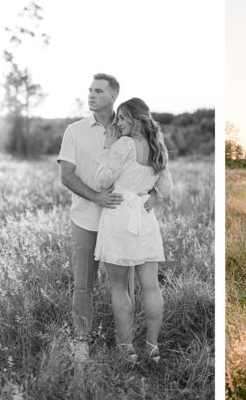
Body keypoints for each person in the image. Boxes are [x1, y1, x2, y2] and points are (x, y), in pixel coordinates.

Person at [57, 74, 159, 363]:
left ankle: (123, 342)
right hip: (87, 218)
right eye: (90, 90)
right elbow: (66, 175)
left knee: (124, 284)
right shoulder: (75, 131)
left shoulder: (129, 128)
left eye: (98, 91)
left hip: (121, 221)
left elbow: (146, 167)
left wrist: (151, 195)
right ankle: (81, 340)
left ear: (113, 96)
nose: (91, 95)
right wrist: (96, 197)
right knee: (84, 283)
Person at [95, 97, 172, 364]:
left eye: (123, 118)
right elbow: (166, 189)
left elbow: (102, 181)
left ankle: (126, 349)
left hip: (120, 216)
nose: (118, 123)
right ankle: (152, 348)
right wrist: (150, 191)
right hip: (145, 216)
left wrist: (107, 146)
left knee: (119, 287)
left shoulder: (124, 144)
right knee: (151, 287)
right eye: (117, 118)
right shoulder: (157, 145)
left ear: (137, 120)